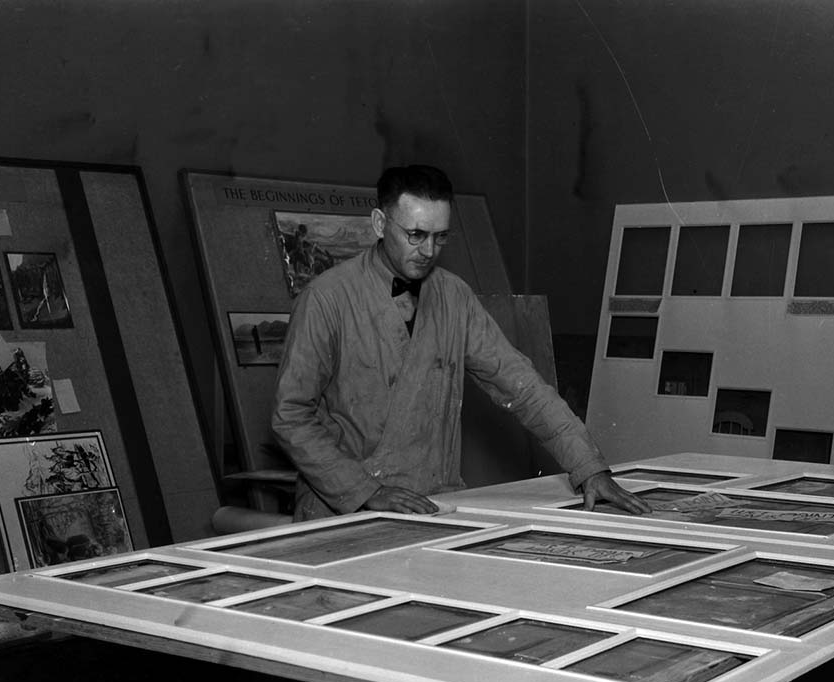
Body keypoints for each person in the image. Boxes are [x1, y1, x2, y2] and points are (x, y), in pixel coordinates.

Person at [272, 163, 649, 520]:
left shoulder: (454, 296)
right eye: (415, 235)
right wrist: (364, 491)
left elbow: (523, 385)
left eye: (440, 237)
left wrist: (588, 466)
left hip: (435, 502)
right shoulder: (326, 299)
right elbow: (290, 416)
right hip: (342, 507)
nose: (428, 252)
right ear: (379, 223)